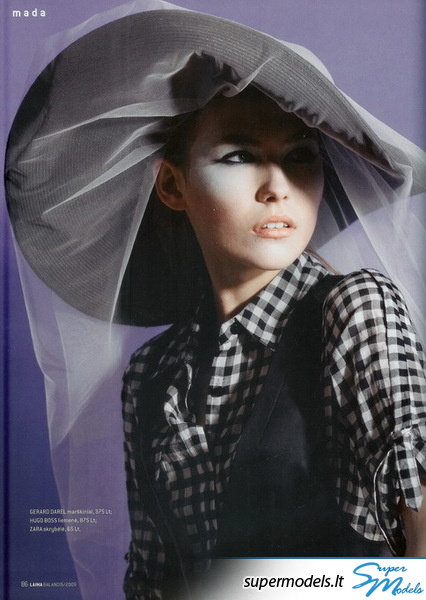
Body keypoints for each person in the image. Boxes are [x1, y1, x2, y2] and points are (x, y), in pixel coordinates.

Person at [4, 2, 426, 600]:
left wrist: (228, 588)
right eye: (240, 156)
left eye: (300, 156)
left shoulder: (357, 311)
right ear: (172, 185)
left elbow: (417, 566)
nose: (277, 187)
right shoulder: (150, 374)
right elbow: (151, 581)